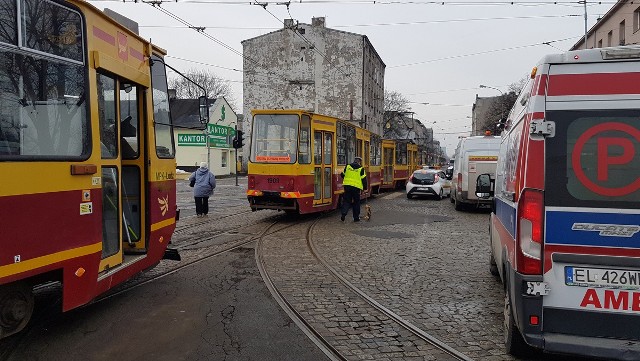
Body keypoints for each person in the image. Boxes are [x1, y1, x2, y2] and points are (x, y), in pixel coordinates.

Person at [340, 156, 367, 222]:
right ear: (359, 162)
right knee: (356, 202)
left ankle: (343, 214)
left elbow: (342, 175)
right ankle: (356, 218)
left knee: (346, 201)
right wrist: (364, 189)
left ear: (354, 160)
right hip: (356, 188)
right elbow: (364, 180)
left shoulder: (348, 166)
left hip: (347, 187)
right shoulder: (361, 169)